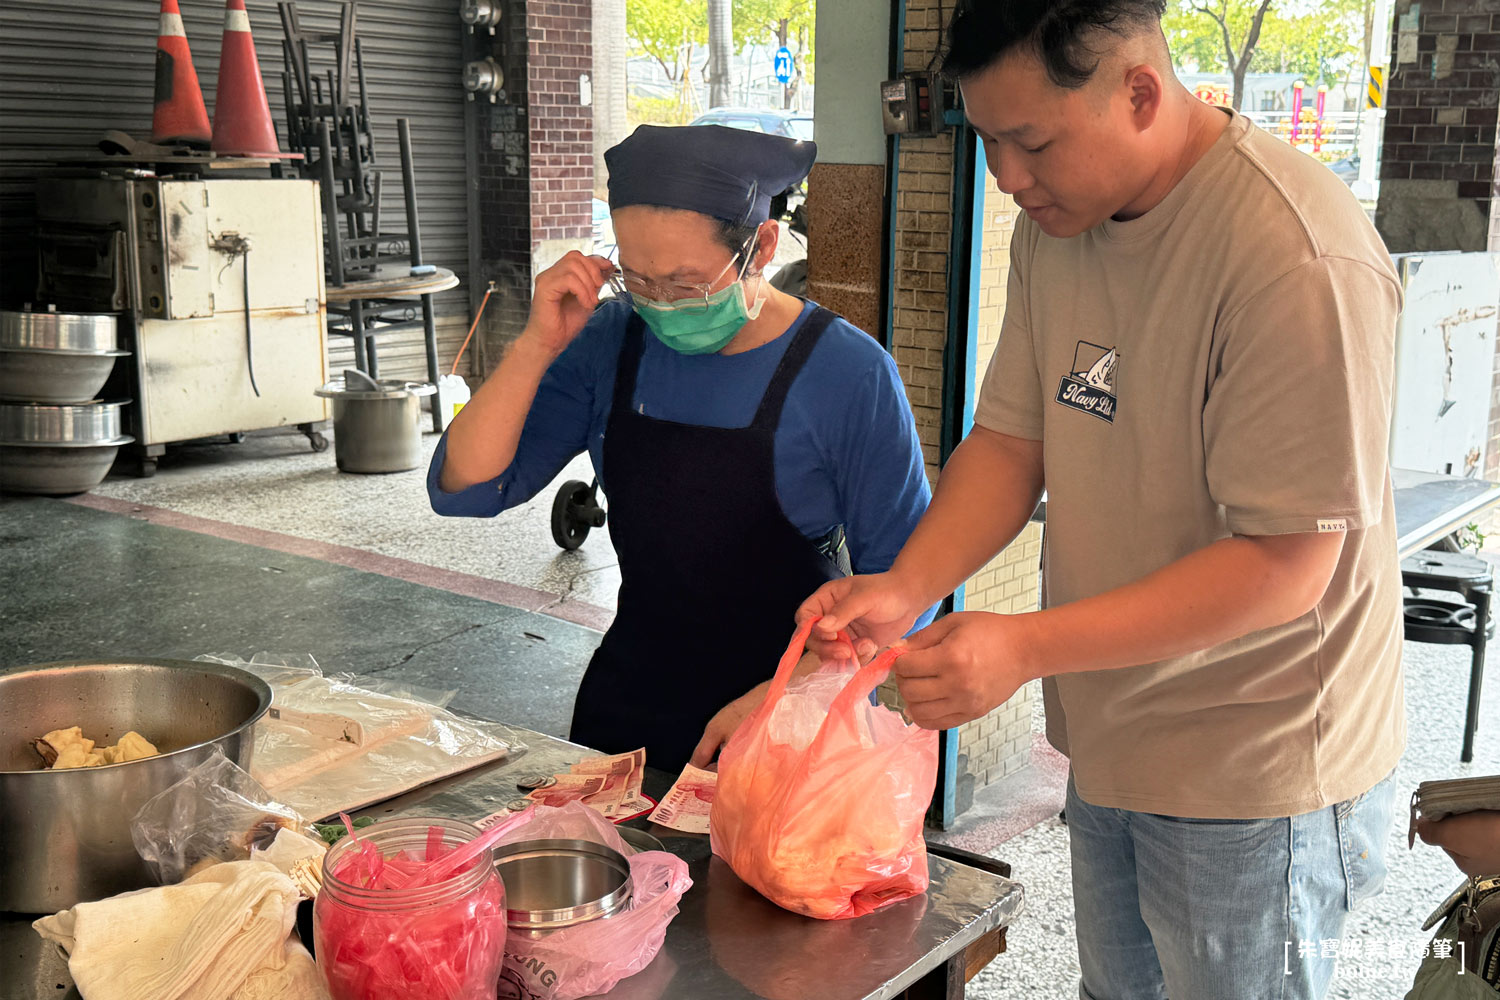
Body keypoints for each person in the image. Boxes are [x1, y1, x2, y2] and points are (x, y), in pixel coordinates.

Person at [799, 1, 1403, 997]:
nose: (1008, 177)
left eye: (1030, 141)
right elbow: (1010, 439)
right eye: (988, 139)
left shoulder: (1292, 256)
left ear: (1139, 90)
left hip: (1255, 768)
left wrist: (1023, 645)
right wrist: (906, 587)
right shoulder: (1059, 224)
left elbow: (1287, 565)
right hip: (1114, 731)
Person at [429, 124, 934, 773]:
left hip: (785, 726)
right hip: (629, 708)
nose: (661, 306)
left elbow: (908, 590)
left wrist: (783, 694)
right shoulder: (610, 338)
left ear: (763, 246)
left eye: (685, 283)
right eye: (638, 280)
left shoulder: (849, 374)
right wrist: (536, 345)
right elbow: (468, 490)